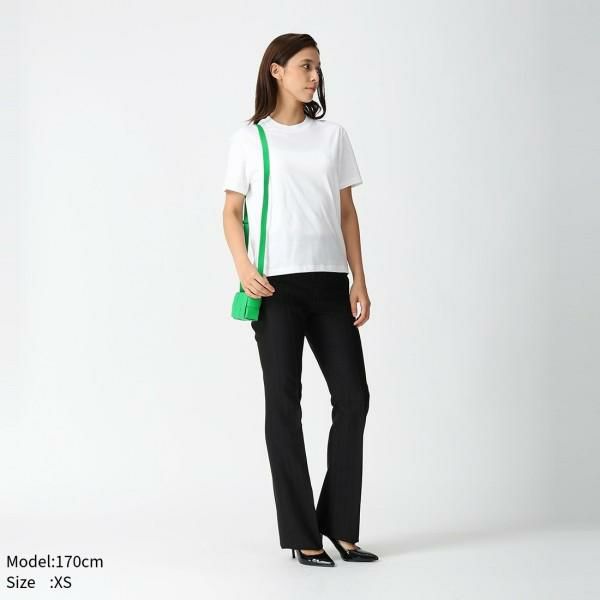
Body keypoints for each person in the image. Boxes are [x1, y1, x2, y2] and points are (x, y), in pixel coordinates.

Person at [222, 33, 379, 567]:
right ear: (277, 70)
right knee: (284, 406)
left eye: (318, 68)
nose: (314, 76)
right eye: (305, 66)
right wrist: (244, 267)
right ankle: (301, 533)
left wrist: (359, 279)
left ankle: (340, 524)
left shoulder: (333, 136)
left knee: (353, 398)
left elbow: (347, 212)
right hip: (275, 288)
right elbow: (231, 211)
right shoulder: (250, 139)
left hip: (330, 283)